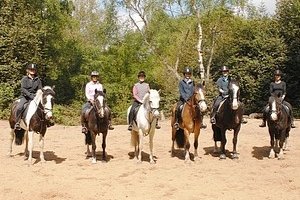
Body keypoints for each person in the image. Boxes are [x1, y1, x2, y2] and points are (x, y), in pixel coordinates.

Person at [14, 64, 43, 130]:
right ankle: (17, 122)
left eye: (34, 70)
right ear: (28, 70)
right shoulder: (24, 79)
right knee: (19, 107)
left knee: (43, 107)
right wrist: (30, 95)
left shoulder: (38, 80)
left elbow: (40, 88)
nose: (32, 71)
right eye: (31, 69)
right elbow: (23, 89)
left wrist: (38, 94)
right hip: (25, 97)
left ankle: (46, 122)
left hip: (35, 97)